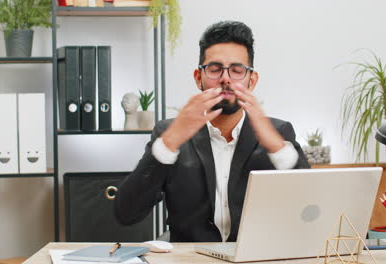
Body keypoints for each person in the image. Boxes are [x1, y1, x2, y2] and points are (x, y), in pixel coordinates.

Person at [115, 20, 310, 242]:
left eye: (237, 70)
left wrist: (275, 146)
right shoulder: (169, 133)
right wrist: (169, 142)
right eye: (215, 69)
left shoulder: (279, 132)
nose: (225, 78)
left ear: (251, 81)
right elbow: (126, 213)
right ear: (199, 78)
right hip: (190, 258)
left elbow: (311, 208)